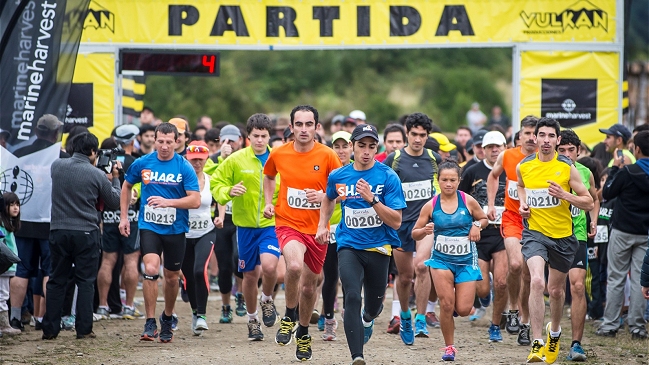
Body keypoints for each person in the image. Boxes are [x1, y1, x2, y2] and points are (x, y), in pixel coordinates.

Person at [316, 124, 406, 365]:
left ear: (377, 148)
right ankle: (357, 356)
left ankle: (368, 319)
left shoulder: (388, 176)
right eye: (361, 146)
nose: (366, 151)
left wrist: (373, 200)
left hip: (378, 247)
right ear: (352, 147)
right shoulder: (339, 175)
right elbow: (328, 198)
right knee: (352, 296)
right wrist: (322, 225)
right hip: (349, 245)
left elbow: (396, 221)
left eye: (371, 146)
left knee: (374, 305)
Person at [263, 105, 342, 361]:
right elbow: (268, 176)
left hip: (318, 230)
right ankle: (288, 315)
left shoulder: (328, 156)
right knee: (293, 267)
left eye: (309, 124)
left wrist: (324, 196)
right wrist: (268, 202)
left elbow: (342, 192)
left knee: (309, 288)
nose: (304, 129)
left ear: (317, 127)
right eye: (299, 124)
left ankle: (304, 333)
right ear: (292, 126)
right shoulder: (279, 153)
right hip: (288, 222)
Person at [517, 117, 594, 363]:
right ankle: (537, 342)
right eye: (542, 136)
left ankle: (555, 332)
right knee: (537, 281)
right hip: (535, 233)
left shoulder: (567, 167)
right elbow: (521, 186)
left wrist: (564, 195)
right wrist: (523, 205)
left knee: (557, 290)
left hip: (563, 236)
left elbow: (588, 201)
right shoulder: (524, 166)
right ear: (535, 138)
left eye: (552, 136)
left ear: (558, 140)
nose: (546, 140)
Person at [119, 122, 200, 343]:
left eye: (168, 142)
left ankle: (167, 317)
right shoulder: (143, 163)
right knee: (151, 268)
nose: (164, 146)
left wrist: (168, 202)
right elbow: (126, 186)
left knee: (172, 278)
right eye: (160, 141)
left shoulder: (183, 166)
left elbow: (195, 200)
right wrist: (124, 217)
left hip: (175, 229)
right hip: (149, 226)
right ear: (154, 141)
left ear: (176, 141)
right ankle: (149, 321)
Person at [42, 132, 123, 340]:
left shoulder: (56, 166)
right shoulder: (96, 174)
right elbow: (114, 201)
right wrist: (114, 178)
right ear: (93, 152)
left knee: (56, 279)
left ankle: (50, 329)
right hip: (86, 232)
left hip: (58, 230)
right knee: (85, 281)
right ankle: (84, 329)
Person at [211, 114, 282, 341]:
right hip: (245, 227)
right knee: (249, 275)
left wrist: (275, 206)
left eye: (263, 136)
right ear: (247, 137)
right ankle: (252, 320)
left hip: (271, 224)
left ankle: (267, 300)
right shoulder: (236, 159)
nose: (260, 140)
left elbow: (290, 190)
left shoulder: (279, 159)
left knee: (270, 268)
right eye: (255, 137)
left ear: (269, 136)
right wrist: (228, 192)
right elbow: (216, 183)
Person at [412, 160, 488, 361]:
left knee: (462, 309)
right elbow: (415, 234)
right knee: (446, 305)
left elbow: (484, 219)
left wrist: (476, 226)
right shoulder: (431, 205)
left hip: (466, 261)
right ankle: (449, 347)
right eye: (444, 180)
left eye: (452, 180)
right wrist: (424, 230)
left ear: (459, 181)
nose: (448, 184)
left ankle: (453, 309)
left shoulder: (468, 201)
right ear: (439, 181)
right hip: (441, 261)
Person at [384, 112, 441, 343]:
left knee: (421, 267)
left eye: (422, 135)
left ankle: (420, 319)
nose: (418, 139)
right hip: (400, 224)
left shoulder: (434, 159)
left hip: (426, 223)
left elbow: (445, 189)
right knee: (405, 277)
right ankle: (405, 315)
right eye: (414, 134)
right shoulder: (394, 159)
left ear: (427, 136)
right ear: (407, 133)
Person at [10, 114, 69, 332]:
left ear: (36, 131)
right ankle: (44, 319)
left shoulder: (18, 154)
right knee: (49, 272)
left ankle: (15, 318)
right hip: (51, 223)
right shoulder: (62, 157)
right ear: (56, 134)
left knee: (21, 270)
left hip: (22, 222)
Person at [486, 115, 538, 345]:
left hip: (539, 222)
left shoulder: (547, 160)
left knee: (529, 275)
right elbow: (492, 176)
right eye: (527, 133)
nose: (531, 137)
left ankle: (525, 323)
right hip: (512, 219)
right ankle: (514, 309)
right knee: (515, 264)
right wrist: (490, 204)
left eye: (535, 133)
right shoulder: (508, 156)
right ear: (520, 136)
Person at [595, 130, 649, 340]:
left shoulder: (628, 172)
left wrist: (616, 169)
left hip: (622, 231)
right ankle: (637, 326)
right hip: (645, 234)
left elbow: (607, 192)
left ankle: (610, 325)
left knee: (616, 277)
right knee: (639, 280)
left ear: (636, 149)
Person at [458, 131, 509, 341]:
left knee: (502, 282)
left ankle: (495, 326)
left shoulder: (512, 170)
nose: (494, 150)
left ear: (505, 147)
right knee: (482, 289)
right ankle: (485, 295)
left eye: (498, 146)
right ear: (483, 149)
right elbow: (459, 199)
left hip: (504, 232)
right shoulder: (472, 171)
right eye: (490, 147)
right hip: (478, 233)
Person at [555, 130, 600, 361]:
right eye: (561, 150)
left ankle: (576, 344)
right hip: (551, 236)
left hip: (577, 234)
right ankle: (549, 335)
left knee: (578, 286)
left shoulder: (585, 173)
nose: (566, 154)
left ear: (578, 151)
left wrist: (593, 220)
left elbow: (594, 198)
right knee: (554, 290)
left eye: (570, 150)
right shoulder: (548, 170)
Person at [96, 124, 142, 320]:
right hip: (131, 216)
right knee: (131, 261)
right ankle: (129, 306)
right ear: (132, 141)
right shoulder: (137, 162)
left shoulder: (105, 161)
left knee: (107, 261)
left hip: (109, 216)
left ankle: (103, 306)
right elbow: (138, 191)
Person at [317, 130, 353, 341]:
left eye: (345, 146)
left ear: (352, 148)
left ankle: (350, 318)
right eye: (336, 146)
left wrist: (325, 196)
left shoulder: (357, 170)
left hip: (351, 229)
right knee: (330, 277)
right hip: (330, 228)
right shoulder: (328, 171)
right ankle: (329, 319)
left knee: (350, 277)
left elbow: (341, 195)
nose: (341, 150)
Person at [180, 140, 216, 336]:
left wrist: (219, 215)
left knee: (199, 270)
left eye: (201, 159)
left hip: (206, 232)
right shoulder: (180, 181)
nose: (197, 163)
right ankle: (195, 311)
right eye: (193, 159)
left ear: (206, 159)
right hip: (184, 234)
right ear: (187, 158)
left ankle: (202, 315)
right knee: (188, 276)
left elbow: (220, 198)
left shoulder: (211, 180)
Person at [0, 193, 22, 336]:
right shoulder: (3, 225)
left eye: (17, 205)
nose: (15, 208)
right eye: (11, 204)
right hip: (4, 266)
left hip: (8, 266)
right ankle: (3, 324)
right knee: (3, 294)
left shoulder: (9, 224)